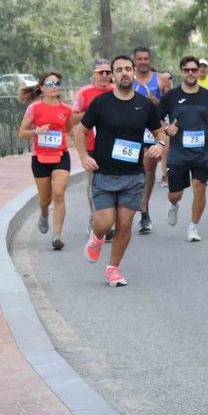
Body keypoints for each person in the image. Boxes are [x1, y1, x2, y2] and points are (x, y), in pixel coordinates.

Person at [73, 55, 165, 286]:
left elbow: (159, 132)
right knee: (104, 223)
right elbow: (79, 131)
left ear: (134, 72)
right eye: (119, 70)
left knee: (124, 225)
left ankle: (113, 269)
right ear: (113, 75)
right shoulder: (101, 103)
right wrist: (84, 157)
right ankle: (97, 237)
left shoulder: (144, 105)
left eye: (128, 68)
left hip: (133, 175)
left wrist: (159, 146)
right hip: (104, 173)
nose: (124, 73)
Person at [158, 55, 208, 241]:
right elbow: (157, 118)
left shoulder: (207, 96)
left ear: (198, 72)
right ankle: (174, 205)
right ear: (181, 72)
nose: (190, 73)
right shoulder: (172, 96)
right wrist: (166, 128)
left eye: (193, 70)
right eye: (186, 70)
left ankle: (193, 227)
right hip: (178, 152)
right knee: (175, 194)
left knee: (199, 187)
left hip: (202, 151)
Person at [18, 71, 73, 250]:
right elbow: (22, 133)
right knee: (45, 199)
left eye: (56, 83)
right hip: (40, 157)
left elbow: (70, 130)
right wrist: (36, 131)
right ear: (42, 88)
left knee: (58, 193)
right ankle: (43, 213)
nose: (54, 86)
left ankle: (56, 236)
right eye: (49, 84)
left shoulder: (66, 109)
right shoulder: (35, 108)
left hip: (60, 156)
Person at [131, 47, 172, 234]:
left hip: (152, 129)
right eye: (139, 59)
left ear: (150, 60)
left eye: (146, 58)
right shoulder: (128, 79)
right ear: (134, 61)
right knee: (132, 170)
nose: (142, 62)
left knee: (148, 169)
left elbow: (169, 105)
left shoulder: (160, 80)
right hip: (131, 129)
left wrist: (156, 102)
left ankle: (144, 213)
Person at [73, 59, 114, 238]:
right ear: (94, 73)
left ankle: (109, 221)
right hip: (91, 145)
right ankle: (96, 218)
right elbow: (74, 119)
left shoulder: (116, 90)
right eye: (101, 72)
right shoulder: (85, 92)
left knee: (113, 181)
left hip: (114, 145)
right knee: (95, 182)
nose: (104, 75)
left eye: (107, 72)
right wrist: (94, 111)